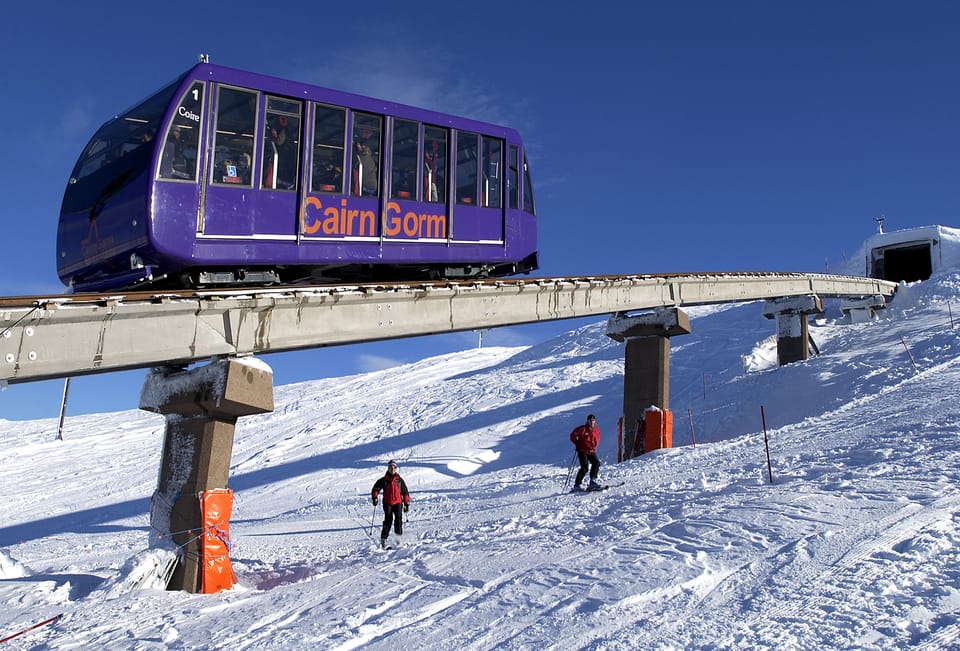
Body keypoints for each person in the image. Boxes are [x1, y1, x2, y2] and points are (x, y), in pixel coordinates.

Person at [371, 460, 410, 548]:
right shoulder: (384, 480)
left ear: (396, 469)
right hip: (387, 503)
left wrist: (406, 503)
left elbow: (405, 492)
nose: (392, 469)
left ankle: (399, 539)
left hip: (398, 503)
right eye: (390, 467)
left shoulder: (399, 480)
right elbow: (375, 488)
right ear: (388, 468)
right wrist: (375, 497)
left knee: (398, 521)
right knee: (388, 520)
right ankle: (384, 539)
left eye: (394, 467)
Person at [570, 414, 601, 491]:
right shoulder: (583, 429)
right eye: (590, 420)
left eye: (593, 420)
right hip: (582, 450)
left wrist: (594, 448)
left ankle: (592, 481)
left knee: (596, 463)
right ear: (587, 421)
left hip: (591, 451)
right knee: (584, 467)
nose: (592, 422)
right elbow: (572, 436)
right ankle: (577, 485)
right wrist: (577, 443)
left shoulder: (596, 429)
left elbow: (597, 439)